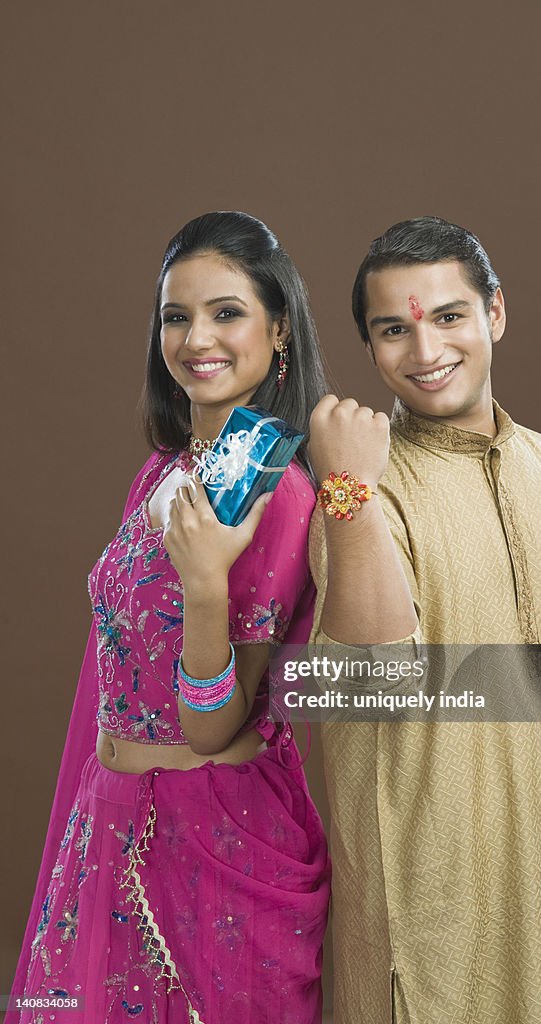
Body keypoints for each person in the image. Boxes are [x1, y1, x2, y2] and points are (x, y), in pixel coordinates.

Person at [307, 217, 541, 1023]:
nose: (424, 351)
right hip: (431, 907)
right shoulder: (361, 489)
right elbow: (372, 683)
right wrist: (347, 493)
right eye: (394, 329)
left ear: (494, 312)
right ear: (370, 346)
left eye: (448, 316)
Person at [10, 212, 331, 1024]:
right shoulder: (166, 468)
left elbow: (213, 729)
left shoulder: (278, 496)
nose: (197, 338)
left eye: (226, 312)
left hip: (213, 838)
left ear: (279, 326)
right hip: (109, 815)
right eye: (176, 316)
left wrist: (206, 587)